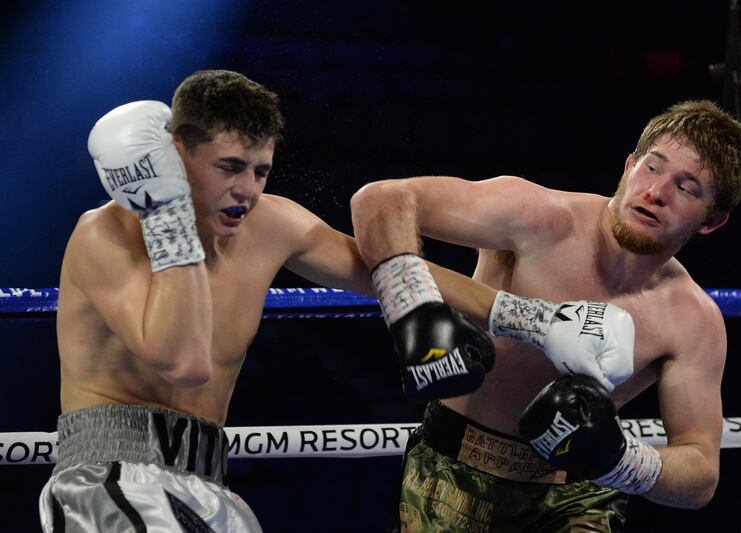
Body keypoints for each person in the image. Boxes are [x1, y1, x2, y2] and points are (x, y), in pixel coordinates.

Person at [38, 68, 624, 532]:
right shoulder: (105, 235)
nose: (246, 189)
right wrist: (167, 213)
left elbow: (391, 272)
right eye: (228, 167)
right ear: (174, 155)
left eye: (261, 170)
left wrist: (535, 319)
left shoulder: (270, 223)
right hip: (110, 476)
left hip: (208, 483)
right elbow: (184, 361)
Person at [351, 99, 741, 531]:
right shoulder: (539, 218)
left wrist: (620, 459)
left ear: (712, 222)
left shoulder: (691, 319)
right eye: (653, 168)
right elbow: (383, 200)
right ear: (628, 166)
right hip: (453, 471)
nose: (656, 192)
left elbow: (700, 475)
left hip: (579, 496)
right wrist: (415, 309)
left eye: (686, 187)